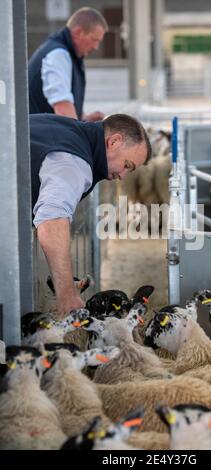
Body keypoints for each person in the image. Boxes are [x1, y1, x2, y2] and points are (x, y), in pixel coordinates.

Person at [30, 113, 152, 316]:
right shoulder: (74, 162)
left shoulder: (68, 130)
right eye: (127, 165)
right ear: (113, 142)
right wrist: (67, 293)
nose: (123, 176)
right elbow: (52, 220)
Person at [29, 7, 108, 121]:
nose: (96, 47)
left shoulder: (67, 53)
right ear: (78, 32)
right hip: (40, 137)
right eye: (94, 40)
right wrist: (78, 134)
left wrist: (85, 119)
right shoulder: (58, 55)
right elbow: (62, 106)